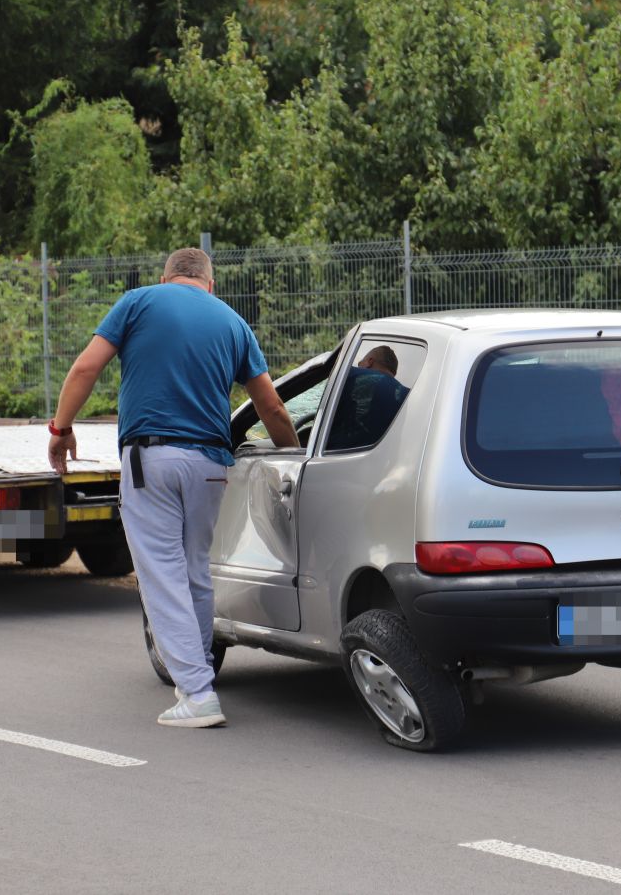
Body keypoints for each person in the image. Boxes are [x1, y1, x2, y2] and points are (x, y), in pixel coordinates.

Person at [48, 248, 299, 728]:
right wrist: (292, 457)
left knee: (161, 575)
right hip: (210, 463)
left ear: (166, 278)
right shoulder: (232, 322)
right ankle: (199, 673)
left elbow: (85, 369)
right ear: (211, 283)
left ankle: (198, 693)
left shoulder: (138, 302)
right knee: (194, 571)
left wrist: (61, 431)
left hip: (152, 459)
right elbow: (272, 408)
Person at [327, 345, 410, 451]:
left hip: (336, 457)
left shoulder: (348, 374)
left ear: (369, 362)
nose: (358, 366)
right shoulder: (406, 395)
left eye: (360, 363)